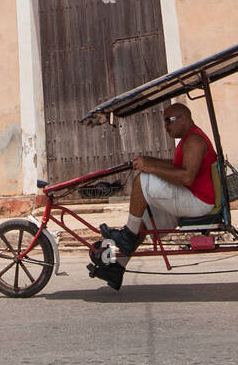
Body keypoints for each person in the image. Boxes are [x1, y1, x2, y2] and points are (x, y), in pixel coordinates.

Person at [90, 102, 217, 290]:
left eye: (169, 121)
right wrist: (150, 161)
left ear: (184, 118)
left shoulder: (194, 141)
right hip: (193, 197)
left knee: (143, 180)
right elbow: (176, 166)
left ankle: (126, 236)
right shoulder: (189, 139)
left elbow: (187, 177)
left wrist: (150, 167)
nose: (165, 127)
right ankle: (117, 268)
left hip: (199, 200)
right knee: (142, 221)